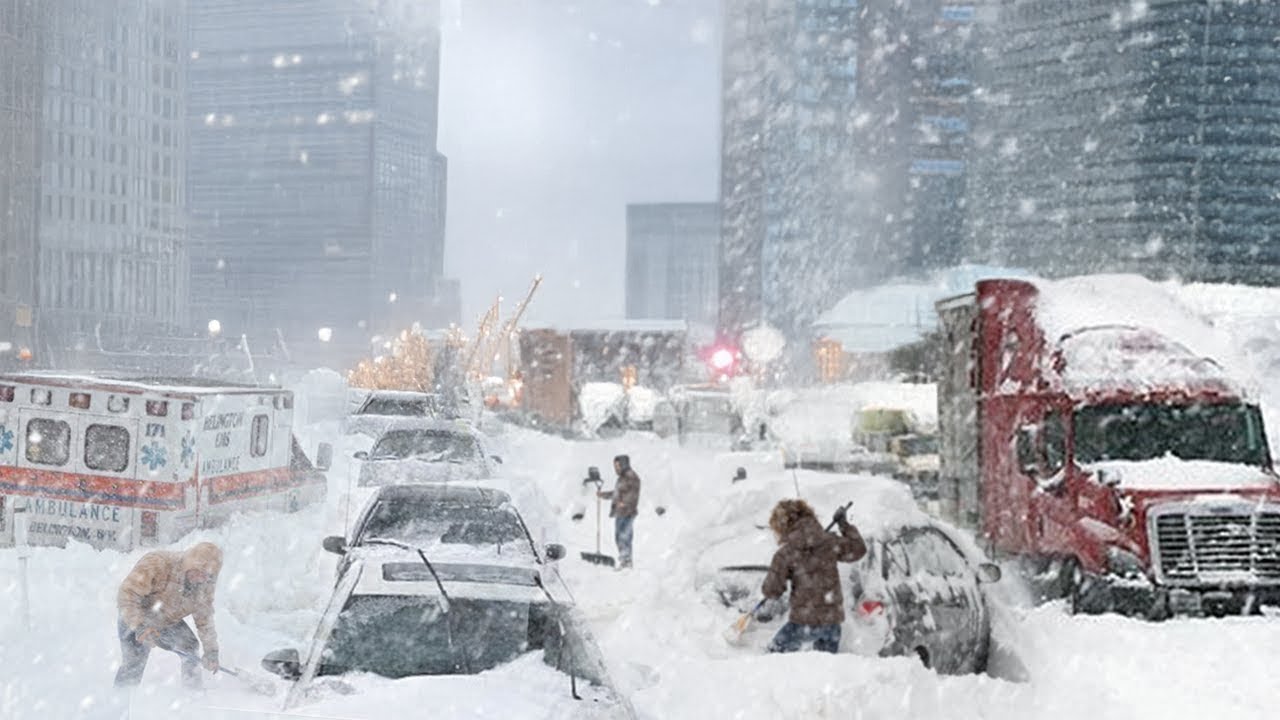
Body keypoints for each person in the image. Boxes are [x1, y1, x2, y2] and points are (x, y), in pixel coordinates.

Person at [760, 499, 866, 654]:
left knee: (772, 658)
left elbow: (771, 591)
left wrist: (782, 576)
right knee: (825, 667)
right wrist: (844, 524)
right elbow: (858, 549)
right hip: (832, 624)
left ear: (782, 526)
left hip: (802, 623)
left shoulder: (785, 554)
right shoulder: (829, 542)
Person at [115, 541, 223, 689]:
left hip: (165, 620)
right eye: (197, 571)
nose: (200, 578)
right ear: (189, 564)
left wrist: (211, 652)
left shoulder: (204, 585)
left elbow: (204, 619)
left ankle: (193, 695)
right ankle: (120, 698)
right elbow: (128, 594)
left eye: (206, 575)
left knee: (190, 647)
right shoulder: (158, 562)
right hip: (135, 615)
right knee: (135, 661)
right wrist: (140, 626)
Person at [598, 454, 641, 568]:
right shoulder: (622, 477)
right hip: (620, 512)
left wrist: (625, 502)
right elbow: (617, 494)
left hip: (627, 512)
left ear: (624, 464)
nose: (616, 468)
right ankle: (624, 560)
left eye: (618, 465)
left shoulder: (631, 477)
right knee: (619, 537)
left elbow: (634, 493)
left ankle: (626, 561)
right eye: (615, 466)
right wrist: (604, 495)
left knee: (624, 537)